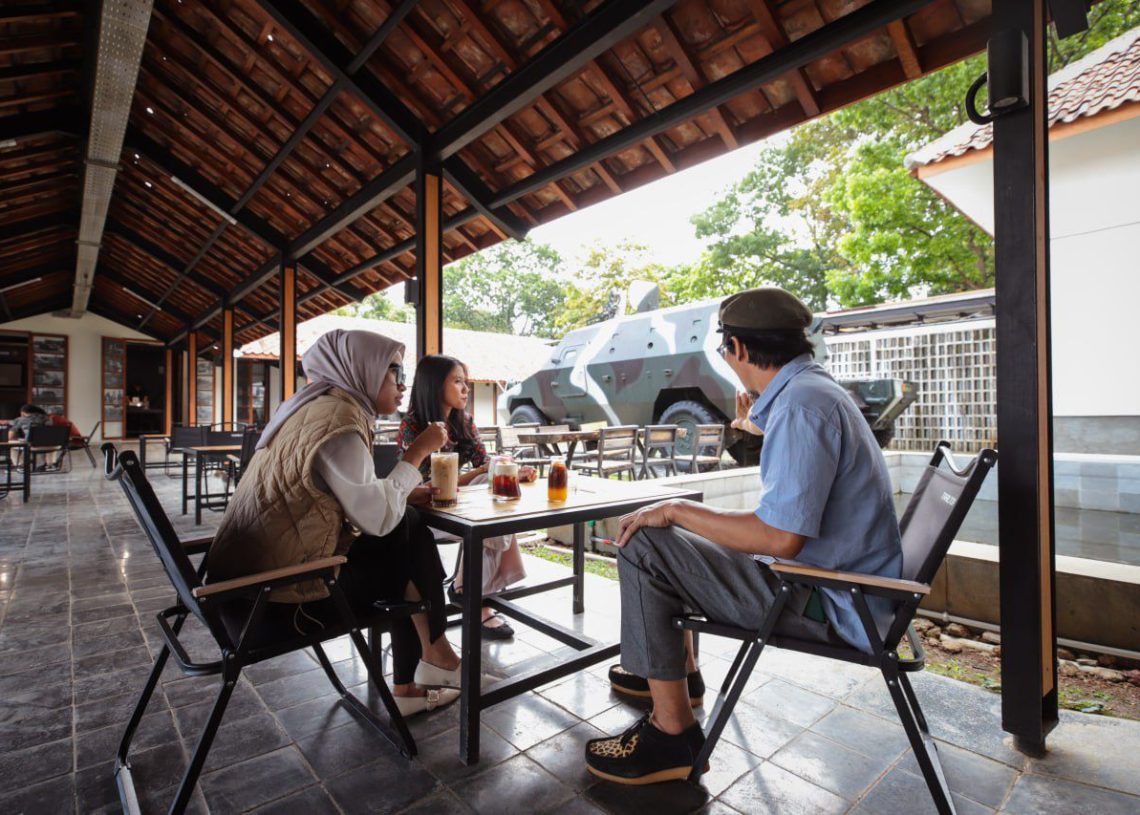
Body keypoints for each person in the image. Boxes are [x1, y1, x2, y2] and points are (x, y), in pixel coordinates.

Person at [584, 287, 903, 785]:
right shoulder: (812, 392)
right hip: (847, 591)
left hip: (827, 600)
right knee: (675, 532)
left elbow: (780, 538)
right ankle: (680, 676)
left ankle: (671, 733)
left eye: (723, 348)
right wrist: (750, 428)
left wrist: (678, 508)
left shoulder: (801, 407)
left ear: (737, 348)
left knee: (645, 542)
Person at [207, 330, 463, 717]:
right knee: (403, 544)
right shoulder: (338, 423)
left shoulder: (317, 409)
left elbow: (336, 498)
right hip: (272, 608)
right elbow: (378, 518)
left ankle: (425, 669)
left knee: (406, 524)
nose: (402, 384)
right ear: (362, 370)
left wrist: (399, 493)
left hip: (244, 591)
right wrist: (417, 453)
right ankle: (431, 662)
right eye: (394, 372)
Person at [398, 355, 532, 640]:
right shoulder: (413, 426)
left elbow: (484, 463)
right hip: (427, 514)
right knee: (492, 521)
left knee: (493, 496)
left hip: (459, 507)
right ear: (435, 385)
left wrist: (510, 470)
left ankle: (466, 588)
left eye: (465, 381)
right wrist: (483, 472)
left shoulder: (464, 421)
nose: (465, 389)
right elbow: (424, 487)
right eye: (457, 381)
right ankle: (473, 596)